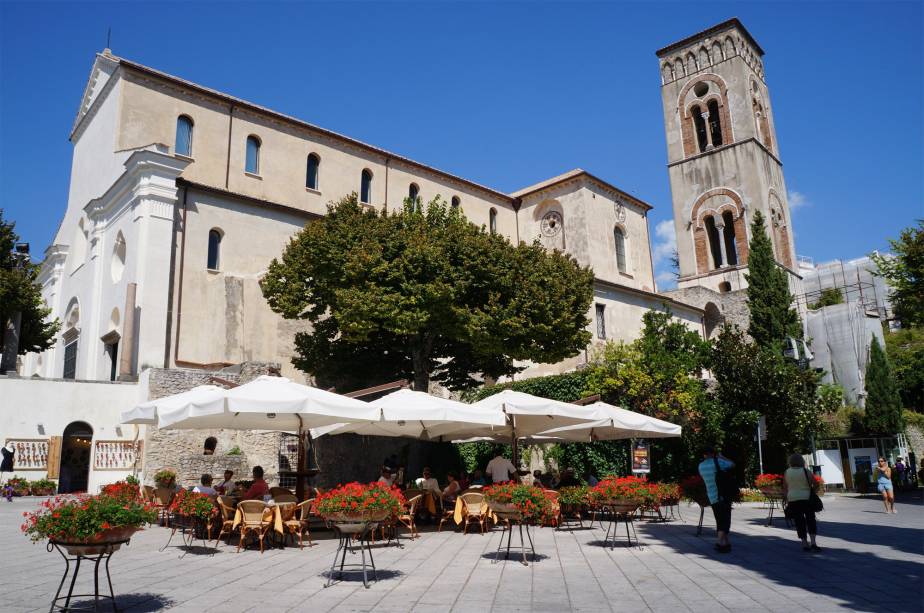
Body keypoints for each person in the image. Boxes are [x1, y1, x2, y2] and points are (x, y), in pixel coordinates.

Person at [698, 447, 734, 553]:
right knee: (725, 520)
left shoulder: (701, 466)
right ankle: (719, 542)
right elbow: (732, 464)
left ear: (704, 454)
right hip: (722, 495)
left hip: (712, 496)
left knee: (719, 518)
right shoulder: (718, 462)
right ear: (713, 453)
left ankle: (726, 543)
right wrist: (722, 457)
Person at [783, 454, 820, 552]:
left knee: (799, 521)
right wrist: (813, 492)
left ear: (790, 462)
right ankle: (813, 542)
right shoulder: (806, 471)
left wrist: (787, 499)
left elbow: (785, 488)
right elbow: (816, 484)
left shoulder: (787, 472)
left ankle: (804, 543)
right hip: (806, 498)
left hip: (793, 499)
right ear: (801, 461)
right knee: (810, 520)